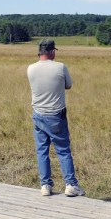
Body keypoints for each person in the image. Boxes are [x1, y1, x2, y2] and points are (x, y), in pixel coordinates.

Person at [27, 38, 85, 197]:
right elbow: (69, 85)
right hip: (56, 115)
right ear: (52, 52)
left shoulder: (30, 69)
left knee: (42, 151)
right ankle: (71, 184)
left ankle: (45, 185)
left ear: (39, 52)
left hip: (38, 114)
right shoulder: (60, 67)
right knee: (63, 151)